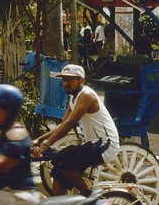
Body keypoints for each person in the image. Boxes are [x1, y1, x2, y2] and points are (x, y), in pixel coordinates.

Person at [32, 64, 119, 196]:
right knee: (59, 171)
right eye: (64, 80)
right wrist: (39, 139)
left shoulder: (86, 95)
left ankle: (89, 197)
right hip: (92, 144)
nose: (67, 83)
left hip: (104, 144)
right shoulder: (73, 98)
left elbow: (70, 124)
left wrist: (46, 144)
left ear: (82, 81)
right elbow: (63, 124)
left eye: (71, 80)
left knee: (63, 158)